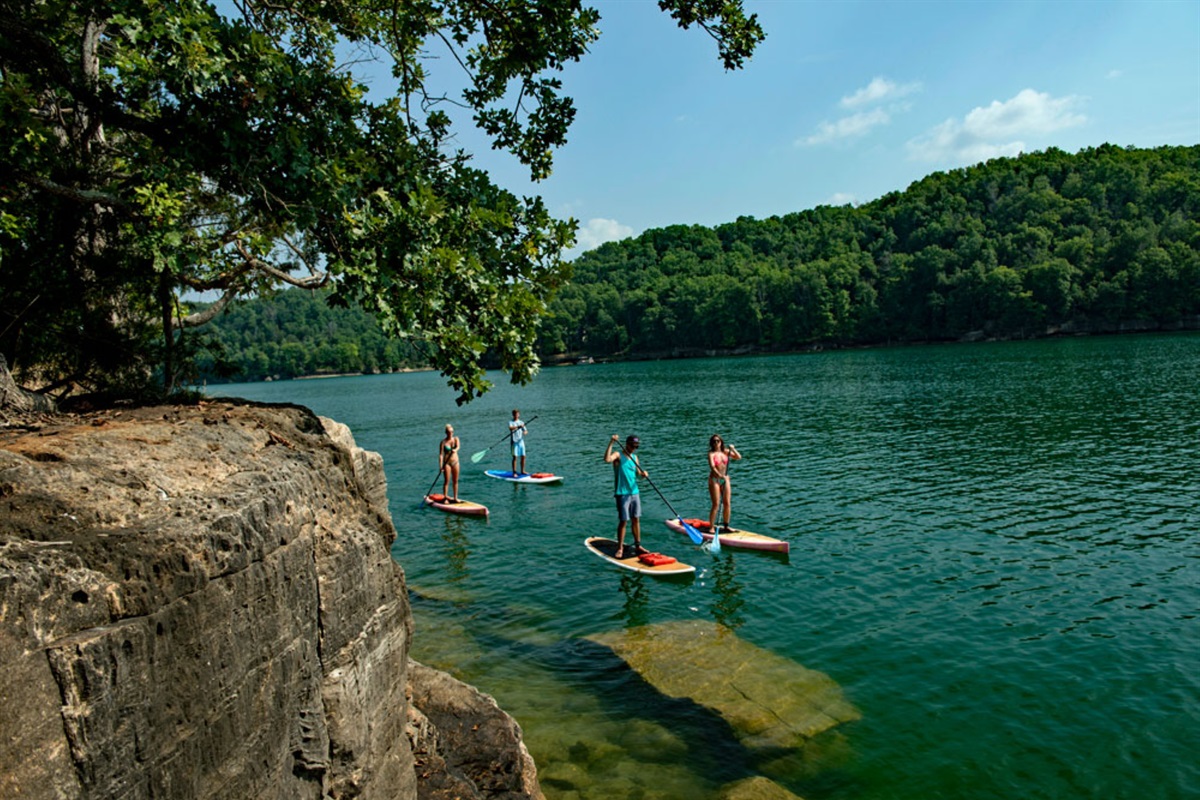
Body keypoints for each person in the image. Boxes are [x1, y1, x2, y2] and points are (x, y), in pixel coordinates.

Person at [604, 434, 648, 559]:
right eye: (632, 446)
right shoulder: (618, 455)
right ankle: (620, 548)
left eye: (636, 447)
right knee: (624, 521)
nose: (634, 449)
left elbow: (638, 475)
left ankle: (638, 545)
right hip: (622, 494)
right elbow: (607, 459)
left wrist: (643, 475)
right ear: (627, 444)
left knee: (636, 519)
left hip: (635, 493)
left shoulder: (635, 457)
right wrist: (611, 442)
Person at [707, 434, 742, 532]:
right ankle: (711, 527)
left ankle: (726, 526)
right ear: (711, 443)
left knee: (727, 503)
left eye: (718, 441)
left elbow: (738, 457)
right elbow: (712, 467)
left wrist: (733, 449)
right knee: (716, 504)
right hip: (714, 480)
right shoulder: (711, 454)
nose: (716, 443)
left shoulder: (726, 451)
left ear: (721, 442)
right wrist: (720, 475)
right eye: (714, 441)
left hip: (725, 480)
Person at [439, 424, 460, 502]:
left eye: (452, 432)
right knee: (446, 481)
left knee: (455, 481)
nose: (451, 433)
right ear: (446, 432)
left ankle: (455, 498)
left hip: (455, 462)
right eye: (449, 432)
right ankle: (445, 498)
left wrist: (455, 450)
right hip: (447, 463)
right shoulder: (443, 442)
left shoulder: (456, 439)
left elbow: (458, 447)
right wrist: (441, 466)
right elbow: (441, 455)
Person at [509, 408, 528, 475]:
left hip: (521, 441)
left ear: (519, 415)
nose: (516, 415)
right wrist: (517, 426)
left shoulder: (521, 422)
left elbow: (525, 430)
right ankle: (514, 472)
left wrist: (525, 432)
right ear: (513, 415)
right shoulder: (511, 422)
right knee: (515, 457)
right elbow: (510, 428)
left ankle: (522, 471)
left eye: (517, 414)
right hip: (514, 441)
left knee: (523, 456)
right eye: (515, 414)